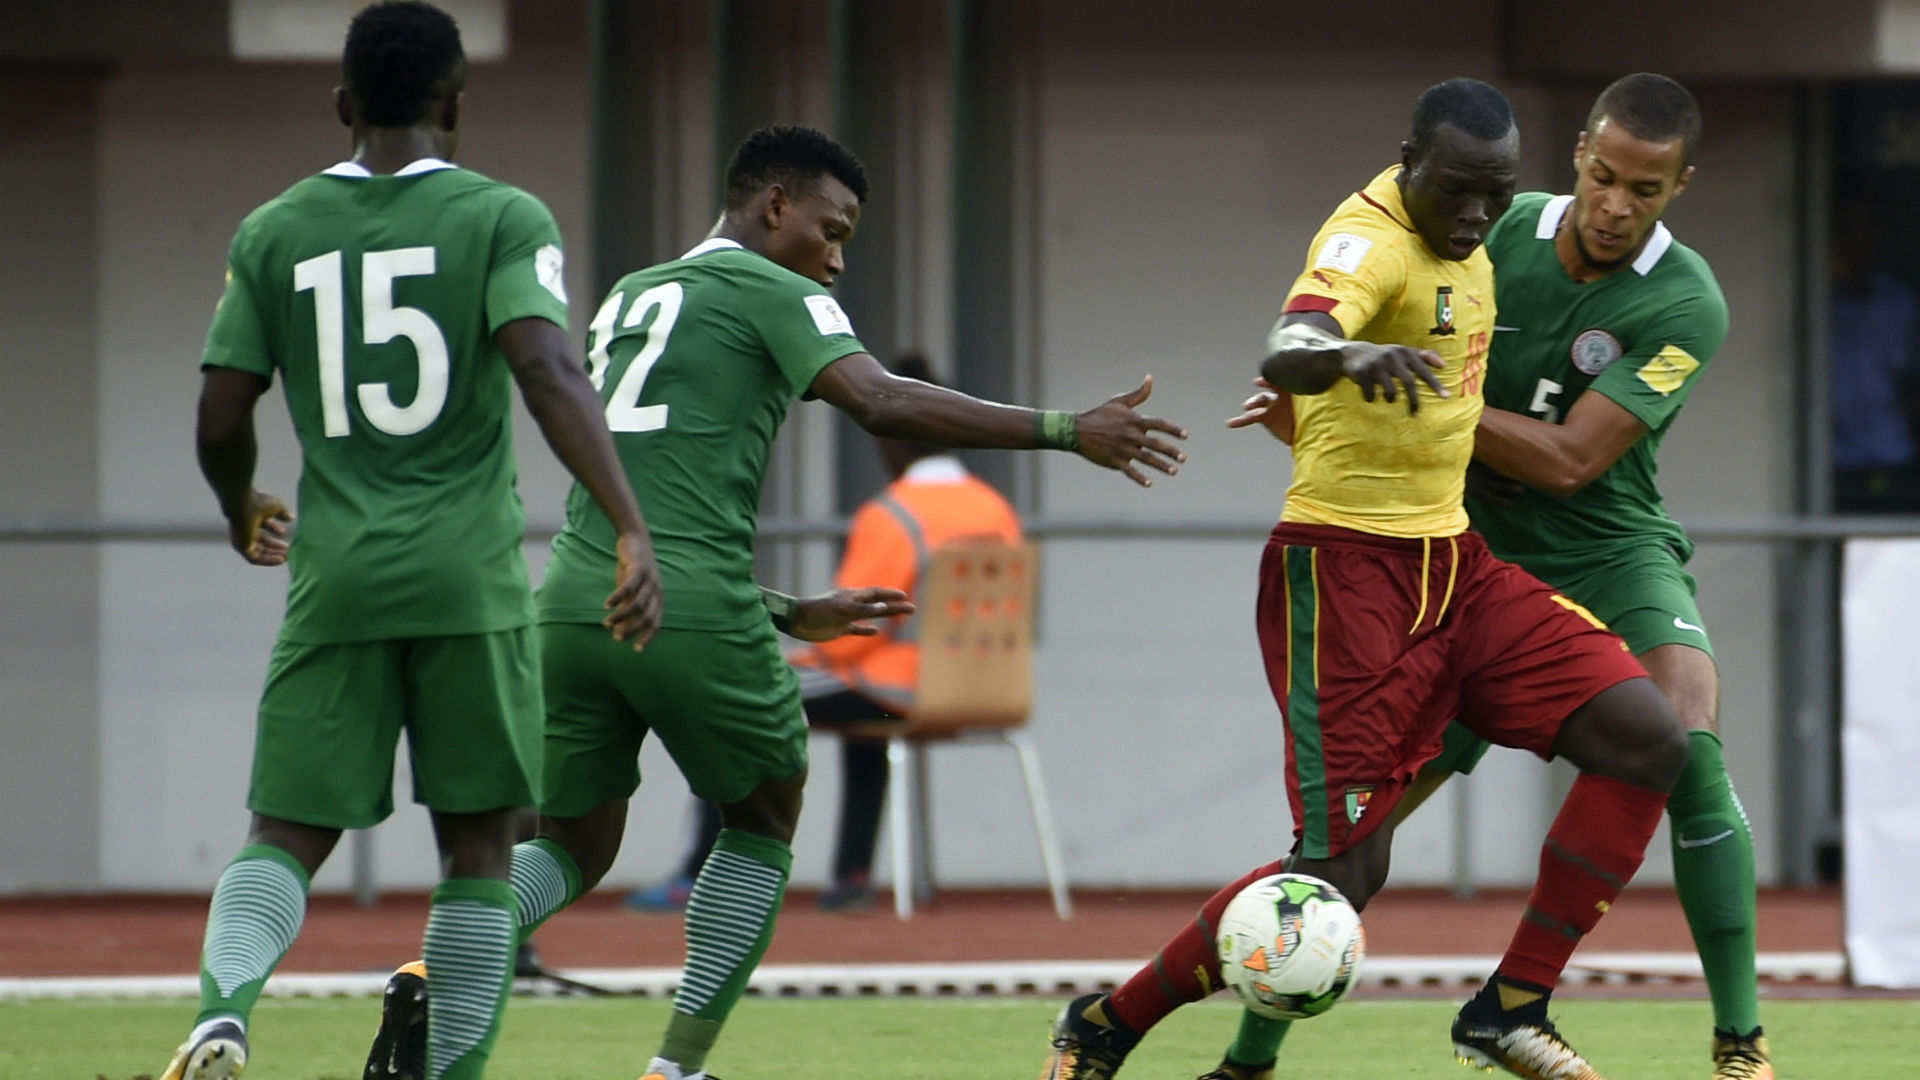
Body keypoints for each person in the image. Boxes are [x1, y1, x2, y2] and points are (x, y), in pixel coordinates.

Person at [366, 123, 1187, 1080]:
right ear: (774, 206)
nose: (836, 259)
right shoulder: (773, 287)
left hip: (573, 603)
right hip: (690, 612)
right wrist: (1063, 428)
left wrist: (794, 613)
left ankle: (440, 962)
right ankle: (677, 1068)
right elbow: (876, 400)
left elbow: (652, 492)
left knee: (576, 841)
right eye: (832, 230)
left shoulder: (632, 293)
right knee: (762, 813)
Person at [1040, 78, 1690, 1080]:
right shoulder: (1369, 239)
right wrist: (1346, 355)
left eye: (1496, 193)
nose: (1477, 215)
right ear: (1407, 162)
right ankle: (1109, 1021)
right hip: (1346, 576)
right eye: (1458, 191)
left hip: (1457, 567)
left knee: (1650, 738)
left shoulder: (1473, 244)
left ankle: (1510, 1005)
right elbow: (1291, 340)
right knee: (1343, 871)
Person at [1218, 73, 1766, 1080]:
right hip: (1468, 556)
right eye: (1603, 177)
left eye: (1644, 191)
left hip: (1611, 549)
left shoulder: (1689, 299)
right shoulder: (1490, 226)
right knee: (1348, 840)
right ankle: (1248, 1059)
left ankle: (1739, 1047)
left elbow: (1570, 460)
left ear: (1679, 186)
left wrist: (1396, 408)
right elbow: (1357, 315)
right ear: (1579, 158)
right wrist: (1331, 399)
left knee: (1687, 742)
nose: (1615, 205)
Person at [162, 4, 663, 1079]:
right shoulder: (503, 217)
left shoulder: (274, 230)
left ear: (343, 105)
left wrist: (241, 503)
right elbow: (546, 371)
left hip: (334, 578)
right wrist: (629, 522)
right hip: (469, 582)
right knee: (482, 849)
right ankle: (452, 1073)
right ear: (456, 105)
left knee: (283, 832)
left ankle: (224, 1010)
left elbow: (218, 415)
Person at [626, 352, 1024, 916]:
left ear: (892, 440)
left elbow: (855, 632)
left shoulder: (897, 513)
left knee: (732, 698)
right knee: (867, 729)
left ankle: (698, 875)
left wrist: (793, 653)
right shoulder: (996, 511)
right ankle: (853, 874)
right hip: (987, 687)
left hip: (898, 687)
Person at [1830, 183, 1920, 512]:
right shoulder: (1818, 304)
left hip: (1895, 458)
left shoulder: (1902, 304)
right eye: (1849, 230)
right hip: (1833, 464)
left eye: (1866, 228)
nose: (1859, 241)